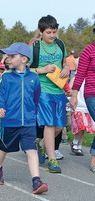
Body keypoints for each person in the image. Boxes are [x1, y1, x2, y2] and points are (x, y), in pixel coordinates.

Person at [0, 42, 48, 194]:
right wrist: (0, 107)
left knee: (31, 150)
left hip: (29, 122)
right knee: (3, 148)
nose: (7, 59)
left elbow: (36, 98)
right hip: (10, 120)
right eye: (7, 56)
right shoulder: (6, 77)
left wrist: (33, 114)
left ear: (24, 59)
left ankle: (36, 181)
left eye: (12, 56)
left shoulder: (34, 78)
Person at [30, 15, 69, 173]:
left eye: (54, 31)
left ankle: (41, 145)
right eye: (48, 32)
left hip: (58, 89)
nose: (52, 35)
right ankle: (52, 159)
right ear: (40, 32)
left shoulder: (60, 44)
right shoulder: (34, 47)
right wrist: (42, 70)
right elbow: (24, 69)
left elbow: (65, 63)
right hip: (42, 90)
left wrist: (66, 68)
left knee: (60, 126)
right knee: (50, 124)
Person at [70, 25, 95, 172]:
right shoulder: (89, 50)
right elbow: (80, 74)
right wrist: (74, 96)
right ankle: (93, 159)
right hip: (92, 93)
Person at [69, 58, 95, 156]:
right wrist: (71, 98)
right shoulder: (75, 78)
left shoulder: (90, 77)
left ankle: (78, 145)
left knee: (84, 128)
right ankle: (75, 143)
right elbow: (70, 89)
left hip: (87, 105)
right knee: (81, 126)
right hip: (78, 105)